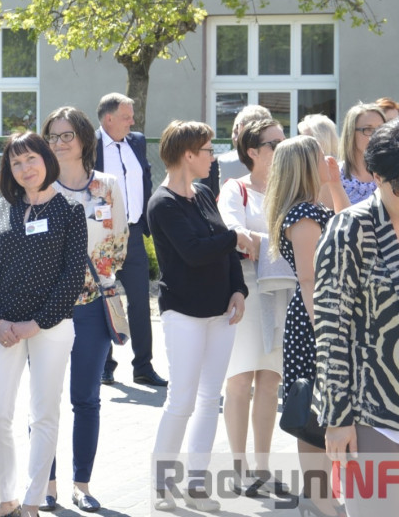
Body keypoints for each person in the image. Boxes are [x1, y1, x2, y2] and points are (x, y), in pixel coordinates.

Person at [315, 117, 399, 517]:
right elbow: (331, 330)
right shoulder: (350, 229)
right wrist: (337, 419)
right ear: (378, 177)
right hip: (372, 413)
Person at [0, 132, 87, 517]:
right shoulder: (3, 208)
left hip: (50, 327)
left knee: (43, 414)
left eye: (31, 159)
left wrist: (36, 323)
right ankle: (6, 498)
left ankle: (32, 501)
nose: (25, 168)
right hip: (3, 328)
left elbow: (73, 276)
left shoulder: (70, 210)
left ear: (46, 159)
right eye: (16, 163)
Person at [148, 121, 251, 512]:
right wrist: (235, 237)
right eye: (208, 150)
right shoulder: (162, 203)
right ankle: (162, 487)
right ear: (188, 154)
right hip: (184, 314)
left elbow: (224, 249)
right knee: (181, 401)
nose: (213, 157)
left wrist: (238, 289)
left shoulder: (205, 192)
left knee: (210, 400)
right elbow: (194, 251)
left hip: (221, 311)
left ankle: (196, 485)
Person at [41, 107, 128, 513]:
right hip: (47, 310)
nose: (59, 143)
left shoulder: (107, 186)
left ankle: (82, 484)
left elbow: (119, 242)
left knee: (86, 399)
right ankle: (46, 484)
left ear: (83, 139)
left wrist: (93, 278)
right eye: (52, 136)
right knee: (44, 402)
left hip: (93, 305)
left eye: (67, 135)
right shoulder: (40, 187)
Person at [265, 135, 344, 517]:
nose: (328, 159)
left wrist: (336, 184)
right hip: (315, 320)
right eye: (320, 156)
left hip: (324, 314)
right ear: (305, 165)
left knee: (324, 412)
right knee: (311, 414)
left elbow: (351, 225)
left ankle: (320, 497)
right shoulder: (304, 215)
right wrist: (325, 332)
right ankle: (316, 500)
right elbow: (309, 280)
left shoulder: (315, 208)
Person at [215, 118, 287, 496]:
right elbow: (234, 234)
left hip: (281, 291)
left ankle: (262, 468)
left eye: (284, 140)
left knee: (270, 382)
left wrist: (265, 244)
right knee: (240, 380)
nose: (282, 147)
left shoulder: (290, 189)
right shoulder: (235, 188)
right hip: (244, 289)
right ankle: (238, 468)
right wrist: (282, 244)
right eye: (274, 143)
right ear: (253, 152)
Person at [93, 93, 165, 387]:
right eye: (126, 116)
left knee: (140, 303)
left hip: (133, 234)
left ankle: (143, 367)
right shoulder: (90, 145)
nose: (132, 122)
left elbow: (144, 178)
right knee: (104, 301)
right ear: (108, 119)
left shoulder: (136, 141)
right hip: (102, 237)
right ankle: (104, 365)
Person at [339, 103, 386, 205]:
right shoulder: (335, 176)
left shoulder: (392, 174)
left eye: (380, 129)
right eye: (368, 129)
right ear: (351, 133)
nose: (375, 136)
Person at [216, 105, 273, 188]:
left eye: (243, 134)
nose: (237, 139)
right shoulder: (220, 162)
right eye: (235, 132)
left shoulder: (225, 162)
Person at [298, 114, 341, 210]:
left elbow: (327, 212)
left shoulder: (330, 170)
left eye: (306, 138)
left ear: (322, 140)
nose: (300, 142)